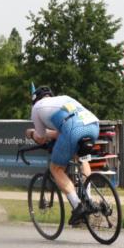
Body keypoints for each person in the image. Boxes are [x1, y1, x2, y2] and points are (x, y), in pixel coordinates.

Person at [25, 87, 100, 225]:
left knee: (56, 168)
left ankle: (78, 206)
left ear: (35, 100)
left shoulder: (37, 107)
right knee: (81, 158)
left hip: (73, 129)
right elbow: (61, 132)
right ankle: (88, 198)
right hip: (93, 126)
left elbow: (41, 138)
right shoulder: (64, 98)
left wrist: (30, 133)